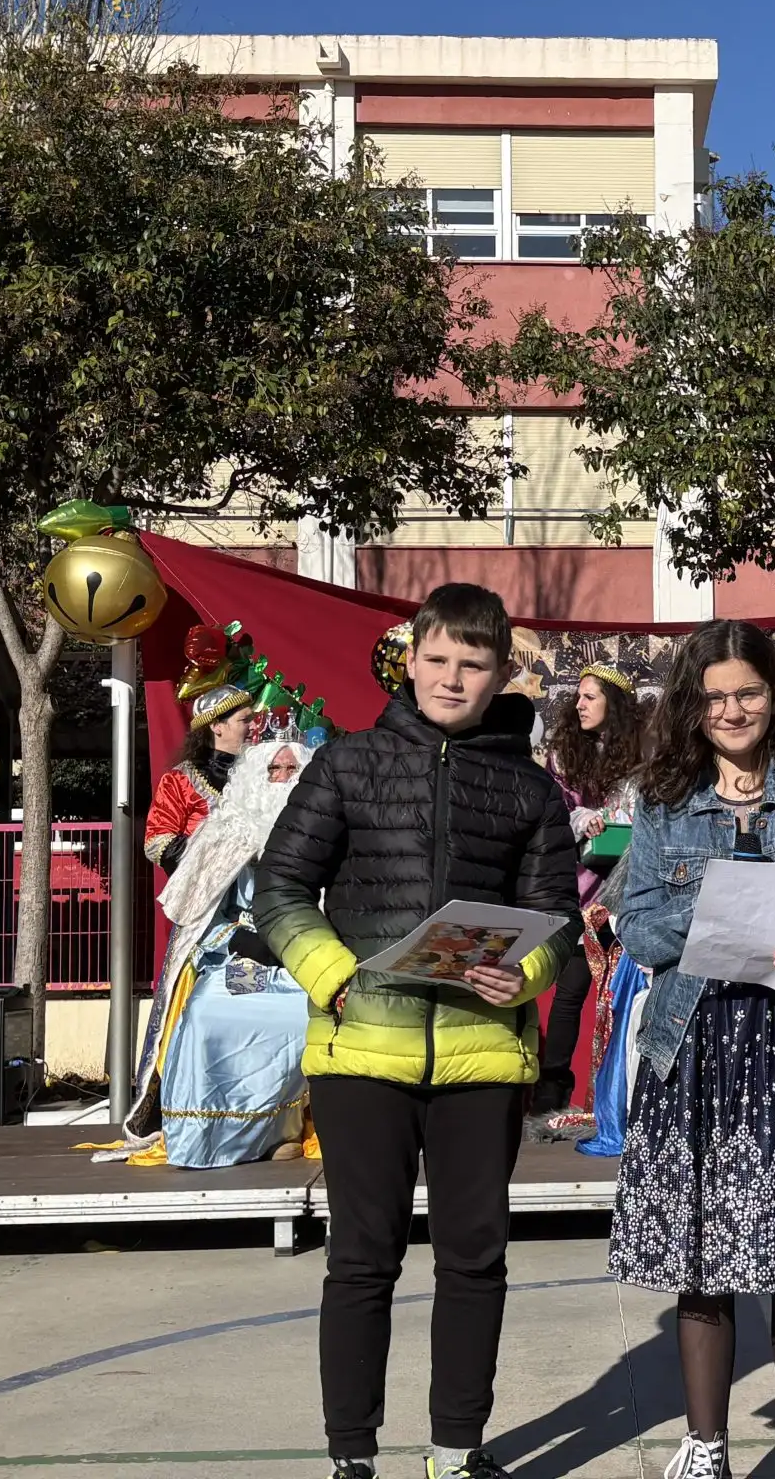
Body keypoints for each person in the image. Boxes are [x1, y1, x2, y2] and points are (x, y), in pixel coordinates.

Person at [253, 582, 580, 1479]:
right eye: (437, 659)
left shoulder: (530, 788)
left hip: (484, 1057)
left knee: (475, 1260)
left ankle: (456, 1452)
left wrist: (524, 972)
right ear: (410, 660)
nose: (452, 678)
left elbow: (557, 914)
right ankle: (350, 1458)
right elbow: (279, 889)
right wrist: (335, 976)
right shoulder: (347, 764)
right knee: (362, 1259)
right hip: (362, 1051)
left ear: (501, 674)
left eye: (473, 664)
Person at [608, 620, 775, 1479]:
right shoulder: (662, 801)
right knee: (701, 1253)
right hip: (696, 1044)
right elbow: (636, 926)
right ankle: (705, 1446)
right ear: (692, 705)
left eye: (748, 693)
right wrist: (715, 909)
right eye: (714, 696)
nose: (731, 710)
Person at [102, 738, 314, 1167]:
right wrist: (236, 939)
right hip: (245, 959)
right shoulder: (225, 834)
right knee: (211, 1013)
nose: (281, 779)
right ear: (254, 776)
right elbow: (203, 917)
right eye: (273, 769)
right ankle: (213, 1135)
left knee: (300, 1015)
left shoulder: (322, 835)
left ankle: (282, 1130)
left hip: (302, 959)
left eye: (291, 770)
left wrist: (297, 941)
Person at [533, 663, 647, 1118]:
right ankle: (551, 1089)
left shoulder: (643, 757)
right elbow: (552, 811)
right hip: (585, 888)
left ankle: (624, 1092)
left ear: (612, 706)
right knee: (571, 989)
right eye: (578, 697)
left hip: (633, 888)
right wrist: (582, 819)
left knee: (627, 991)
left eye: (590, 697)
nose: (579, 705)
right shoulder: (565, 756)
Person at [145, 684, 254, 874]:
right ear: (216, 726)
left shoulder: (260, 772)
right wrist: (220, 854)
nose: (253, 726)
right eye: (245, 720)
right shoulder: (180, 779)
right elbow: (156, 842)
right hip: (204, 887)